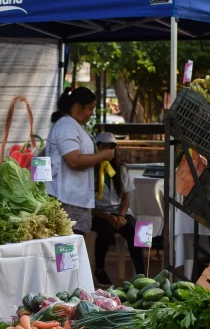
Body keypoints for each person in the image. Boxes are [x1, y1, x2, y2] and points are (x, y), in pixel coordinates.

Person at [44, 87, 114, 234]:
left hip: (74, 198)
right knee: (69, 249)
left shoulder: (71, 125)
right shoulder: (66, 126)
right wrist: (102, 155)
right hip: (67, 200)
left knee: (74, 248)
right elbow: (73, 160)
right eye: (90, 108)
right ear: (77, 106)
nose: (91, 114)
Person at [90, 132, 145, 286]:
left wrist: (121, 216)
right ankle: (99, 269)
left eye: (112, 147)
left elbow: (126, 197)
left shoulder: (121, 169)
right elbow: (88, 204)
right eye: (105, 146)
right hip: (99, 213)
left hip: (120, 211)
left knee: (137, 230)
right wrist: (108, 217)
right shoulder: (90, 171)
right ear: (97, 147)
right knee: (105, 231)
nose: (110, 150)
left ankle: (141, 273)